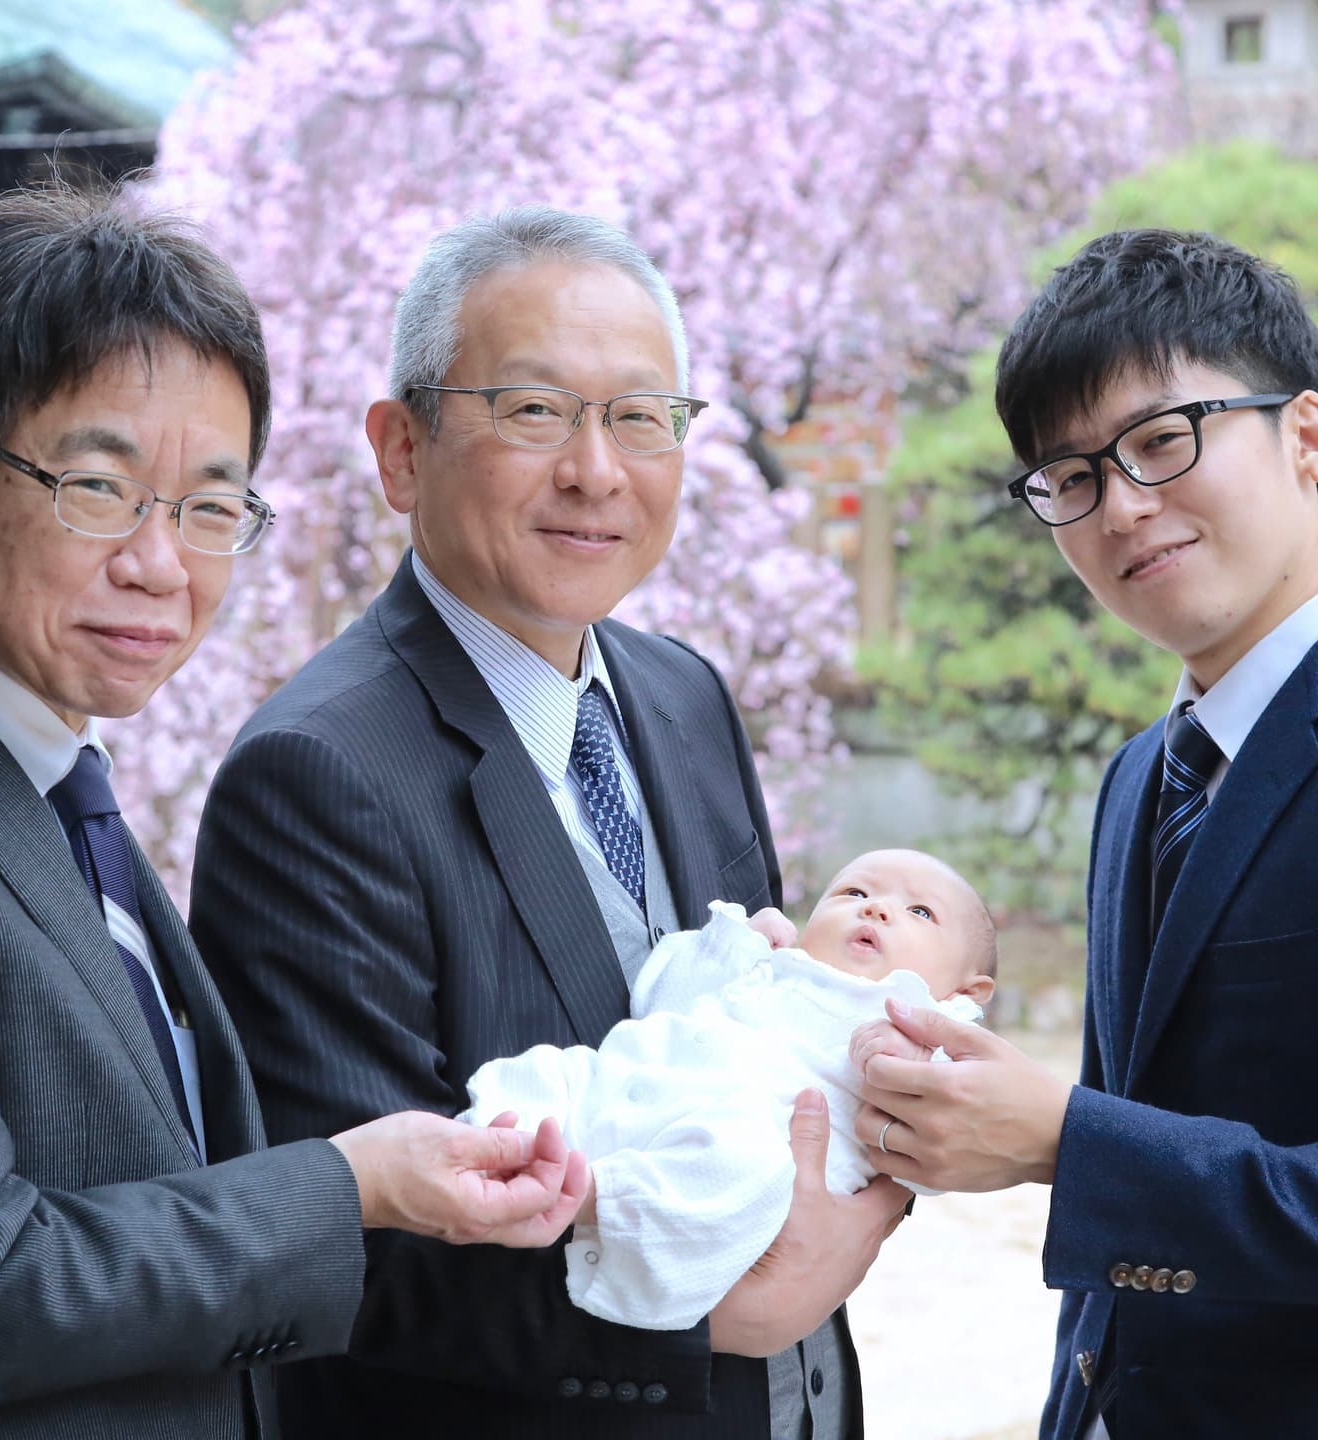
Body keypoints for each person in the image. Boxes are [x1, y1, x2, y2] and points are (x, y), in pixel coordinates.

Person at [0, 185, 588, 1440]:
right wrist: (343, 1187)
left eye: (211, 509)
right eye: (97, 491)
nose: (162, 565)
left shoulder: (53, 778)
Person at [191, 205, 910, 1439]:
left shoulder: (681, 692)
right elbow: (360, 1253)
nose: (596, 469)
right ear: (401, 448)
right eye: (533, 411)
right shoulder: (317, 777)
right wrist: (713, 1319)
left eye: (641, 416)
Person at [851, 229, 1318, 1439]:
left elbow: (1106, 1140)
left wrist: (1068, 1141)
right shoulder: (1137, 781)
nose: (1124, 507)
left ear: (1305, 437)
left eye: (1164, 442)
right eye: (1071, 477)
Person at [461, 848, 997, 1331]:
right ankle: (488, 1141)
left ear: (969, 990)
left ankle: (587, 1192)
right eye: (855, 892)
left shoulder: (934, 1029)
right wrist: (729, 947)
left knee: (739, 1163)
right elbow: (660, 1000)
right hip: (648, 1086)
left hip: (744, 1164)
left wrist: (918, 1067)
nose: (876, 909)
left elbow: (943, 1159)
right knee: (570, 1069)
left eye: (920, 913)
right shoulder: (773, 967)